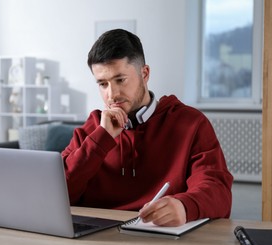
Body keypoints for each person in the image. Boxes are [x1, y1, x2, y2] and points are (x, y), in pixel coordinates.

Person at [62, 29, 233, 227]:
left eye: (120, 80)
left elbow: (217, 190)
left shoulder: (192, 123)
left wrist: (185, 207)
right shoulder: (93, 128)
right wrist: (101, 139)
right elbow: (58, 192)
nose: (112, 94)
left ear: (145, 74)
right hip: (98, 238)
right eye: (103, 84)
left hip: (160, 237)